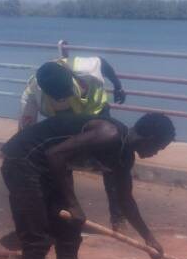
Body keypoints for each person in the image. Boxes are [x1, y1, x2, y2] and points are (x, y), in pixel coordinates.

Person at [0, 112, 175, 259]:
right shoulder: (108, 134)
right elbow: (54, 154)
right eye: (159, 147)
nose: (156, 153)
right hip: (25, 161)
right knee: (36, 243)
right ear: (150, 137)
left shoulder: (123, 157)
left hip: (52, 169)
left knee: (70, 235)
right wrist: (72, 203)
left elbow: (125, 199)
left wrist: (148, 238)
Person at [19, 57, 129, 230]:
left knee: (111, 163)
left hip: (97, 114)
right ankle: (68, 210)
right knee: (59, 159)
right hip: (66, 124)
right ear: (48, 94)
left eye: (68, 91)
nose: (67, 97)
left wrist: (117, 85)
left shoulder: (86, 68)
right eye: (61, 98)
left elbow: (103, 63)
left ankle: (118, 217)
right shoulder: (31, 95)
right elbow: (26, 132)